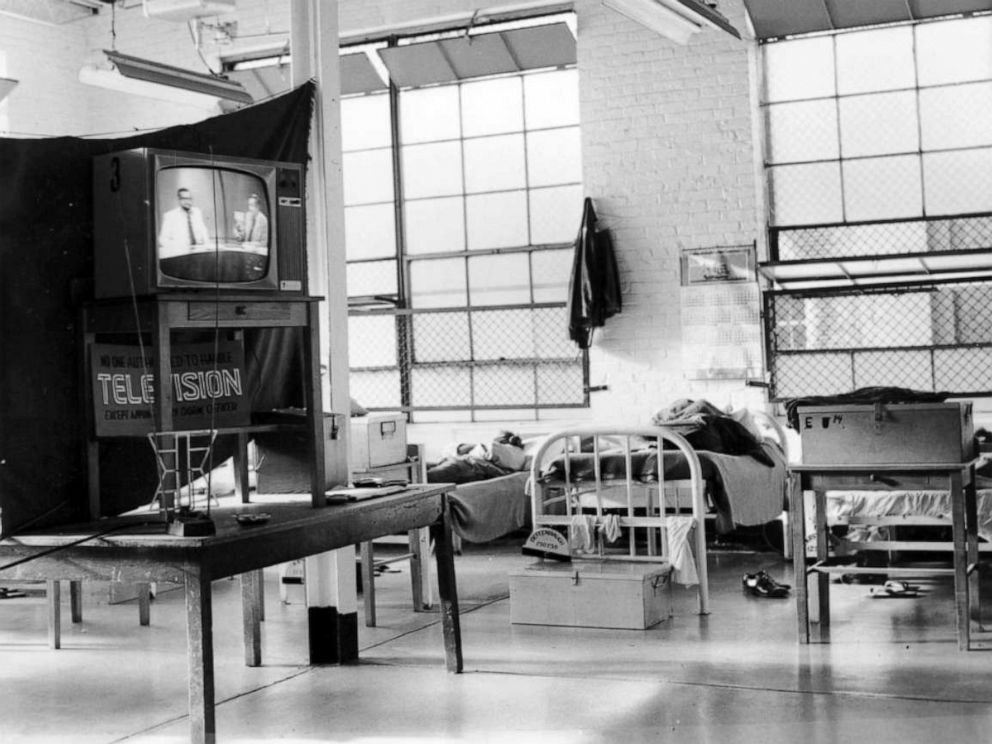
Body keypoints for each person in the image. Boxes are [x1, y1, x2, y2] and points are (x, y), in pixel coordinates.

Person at [158, 187, 209, 255]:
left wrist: (206, 247)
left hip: (199, 252)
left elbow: (204, 233)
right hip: (181, 253)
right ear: (179, 200)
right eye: (185, 198)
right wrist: (179, 247)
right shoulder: (170, 216)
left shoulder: (197, 212)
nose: (188, 201)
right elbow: (162, 240)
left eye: (190, 198)